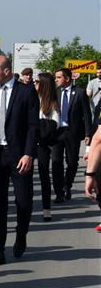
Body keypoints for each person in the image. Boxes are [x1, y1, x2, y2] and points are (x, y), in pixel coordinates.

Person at [0, 55, 39, 266]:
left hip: (19, 155)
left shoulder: (26, 92)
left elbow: (32, 126)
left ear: (7, 71)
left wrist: (29, 153)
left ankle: (21, 235)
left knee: (23, 201)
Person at [51, 67, 92, 203]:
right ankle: (59, 192)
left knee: (72, 162)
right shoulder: (54, 93)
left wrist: (87, 133)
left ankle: (67, 185)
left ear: (67, 79)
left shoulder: (79, 93)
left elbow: (86, 114)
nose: (56, 80)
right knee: (56, 162)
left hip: (72, 133)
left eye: (58, 77)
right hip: (57, 133)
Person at [35, 72, 60, 222]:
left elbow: (54, 124)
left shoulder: (51, 102)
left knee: (44, 175)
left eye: (37, 81)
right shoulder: (30, 98)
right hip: (29, 143)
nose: (34, 84)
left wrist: (39, 127)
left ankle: (46, 209)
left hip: (42, 144)